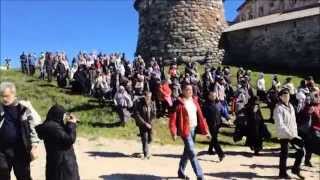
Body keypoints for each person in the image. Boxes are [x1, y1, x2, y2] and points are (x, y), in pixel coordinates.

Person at [0, 82, 41, 180]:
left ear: (13, 94)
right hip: (2, 151)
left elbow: (34, 125)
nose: (4, 99)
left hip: (21, 150)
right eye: (2, 96)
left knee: (24, 176)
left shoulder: (24, 108)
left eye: (6, 96)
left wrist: (34, 146)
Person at [169, 83, 210, 180]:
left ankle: (180, 171)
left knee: (187, 152)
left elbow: (200, 116)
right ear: (183, 91)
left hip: (193, 129)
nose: (190, 91)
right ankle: (200, 175)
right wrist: (173, 132)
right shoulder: (178, 103)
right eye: (187, 89)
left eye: (191, 89)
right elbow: (173, 119)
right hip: (185, 130)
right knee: (191, 151)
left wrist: (206, 131)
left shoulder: (194, 101)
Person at [36, 105, 80, 180]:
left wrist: (67, 124)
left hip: (56, 162)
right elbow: (69, 139)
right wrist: (71, 124)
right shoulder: (53, 127)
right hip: (62, 164)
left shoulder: (51, 126)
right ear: (58, 115)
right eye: (64, 115)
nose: (64, 118)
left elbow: (61, 137)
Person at [273, 88, 305, 179]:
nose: (287, 96)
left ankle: (295, 170)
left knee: (301, 151)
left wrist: (295, 134)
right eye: (284, 95)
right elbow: (280, 124)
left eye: (288, 95)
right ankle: (282, 173)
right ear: (280, 97)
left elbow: (294, 122)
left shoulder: (291, 106)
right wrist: (290, 135)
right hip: (284, 135)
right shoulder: (278, 108)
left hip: (293, 134)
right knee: (285, 153)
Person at [133, 91, 156, 159]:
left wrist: (150, 123)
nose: (149, 98)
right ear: (145, 96)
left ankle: (146, 149)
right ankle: (146, 154)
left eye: (150, 97)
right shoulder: (140, 103)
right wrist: (145, 123)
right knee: (145, 138)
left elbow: (154, 113)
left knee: (150, 139)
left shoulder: (152, 103)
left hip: (150, 124)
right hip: (142, 124)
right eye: (148, 97)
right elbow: (137, 115)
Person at [203, 91, 225, 161]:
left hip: (218, 123)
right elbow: (203, 116)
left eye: (215, 96)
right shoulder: (206, 105)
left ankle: (210, 150)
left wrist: (228, 118)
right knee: (215, 139)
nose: (214, 97)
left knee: (214, 137)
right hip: (210, 124)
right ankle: (221, 154)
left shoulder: (218, 103)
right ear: (209, 96)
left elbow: (223, 111)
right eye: (212, 96)